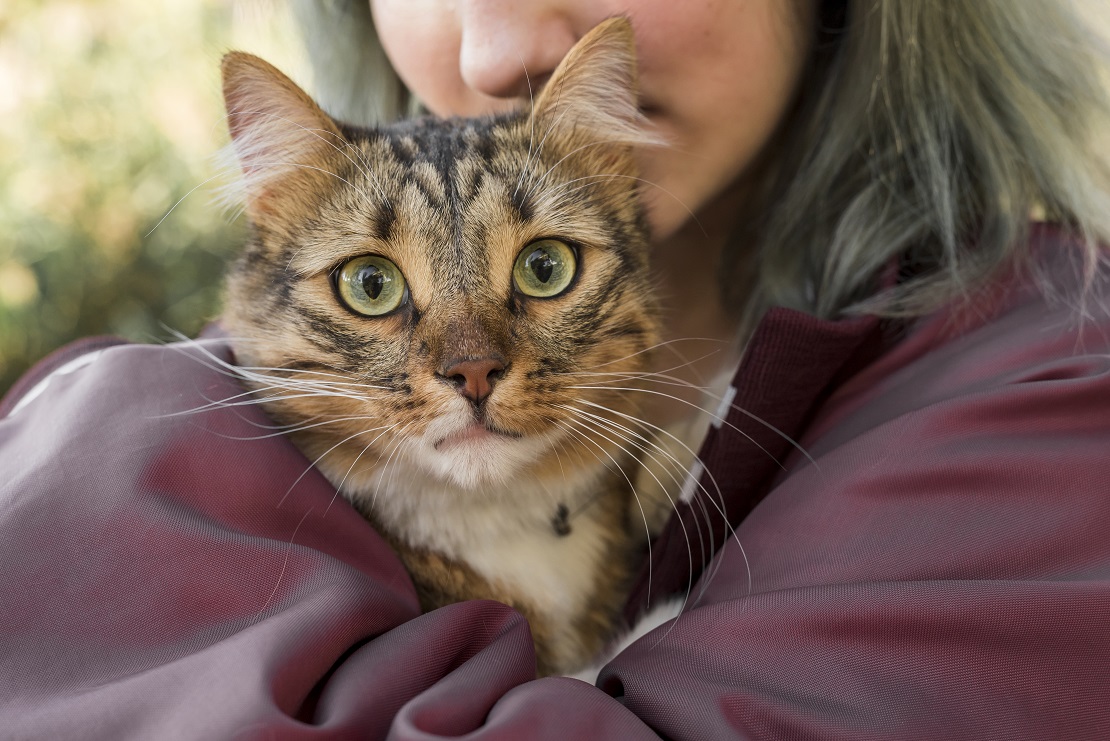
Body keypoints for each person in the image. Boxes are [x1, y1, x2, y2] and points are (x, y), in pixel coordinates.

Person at [3, 0, 1110, 738]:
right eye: (374, 287)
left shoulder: (1055, 376)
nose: (494, 51)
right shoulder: (199, 410)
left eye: (541, 265)